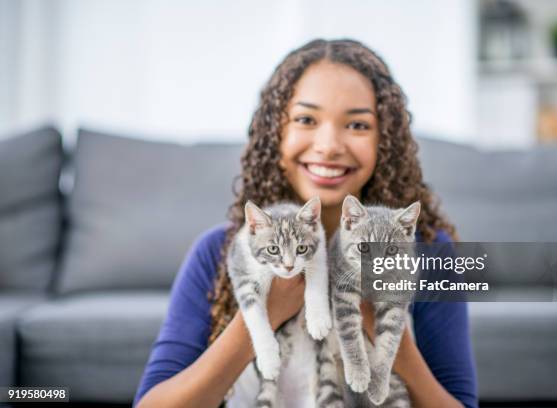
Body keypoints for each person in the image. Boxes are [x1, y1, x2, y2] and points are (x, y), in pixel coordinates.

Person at [134, 39, 478, 408]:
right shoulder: (216, 253)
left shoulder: (429, 252)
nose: (328, 145)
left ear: (386, 141)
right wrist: (261, 317)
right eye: (306, 119)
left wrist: (390, 339)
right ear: (275, 132)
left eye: (358, 124)